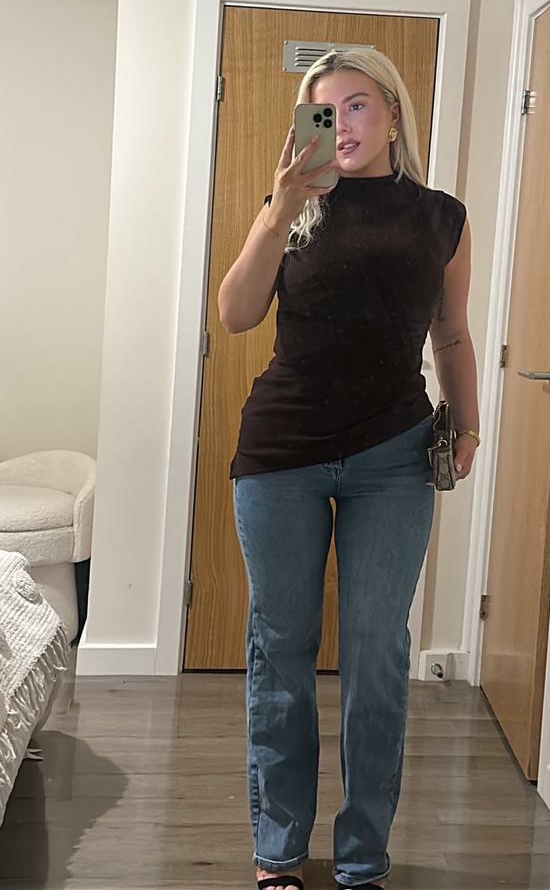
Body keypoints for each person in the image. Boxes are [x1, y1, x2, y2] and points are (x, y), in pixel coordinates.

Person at [218, 48, 480, 890]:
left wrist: (468, 423)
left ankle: (364, 859)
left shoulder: (441, 217)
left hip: (393, 456)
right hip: (281, 455)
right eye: (324, 111)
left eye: (358, 105)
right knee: (282, 649)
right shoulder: (289, 208)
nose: (342, 126)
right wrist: (279, 211)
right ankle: (279, 852)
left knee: (377, 655)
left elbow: (452, 333)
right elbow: (235, 314)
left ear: (395, 113)